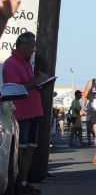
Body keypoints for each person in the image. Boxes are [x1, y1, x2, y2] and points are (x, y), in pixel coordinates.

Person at [2, 31, 51, 195]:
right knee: (20, 149)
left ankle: (23, 181)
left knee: (30, 148)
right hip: (20, 112)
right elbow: (16, 88)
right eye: (32, 47)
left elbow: (28, 85)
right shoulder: (11, 64)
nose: (33, 50)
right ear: (22, 46)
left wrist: (41, 85)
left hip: (34, 111)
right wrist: (36, 81)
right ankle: (15, 183)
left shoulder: (28, 63)